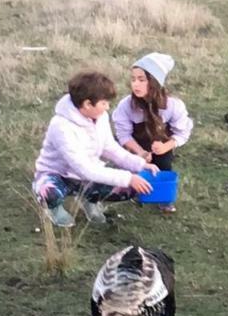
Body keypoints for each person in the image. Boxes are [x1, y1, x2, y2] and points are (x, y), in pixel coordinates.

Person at [33, 70, 158, 228]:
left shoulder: (100, 117)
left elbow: (110, 147)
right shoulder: (61, 127)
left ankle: (89, 199)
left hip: (87, 174)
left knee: (129, 189)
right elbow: (84, 169)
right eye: (104, 103)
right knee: (48, 192)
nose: (108, 107)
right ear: (87, 104)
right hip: (58, 175)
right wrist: (129, 177)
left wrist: (139, 164)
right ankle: (53, 208)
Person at [112, 53, 193, 213]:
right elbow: (123, 134)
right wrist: (140, 152)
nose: (136, 84)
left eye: (142, 80)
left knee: (163, 163)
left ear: (155, 82)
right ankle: (132, 189)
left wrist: (166, 146)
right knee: (131, 167)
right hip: (135, 145)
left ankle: (163, 198)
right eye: (133, 79)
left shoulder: (173, 106)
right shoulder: (126, 105)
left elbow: (182, 133)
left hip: (160, 145)